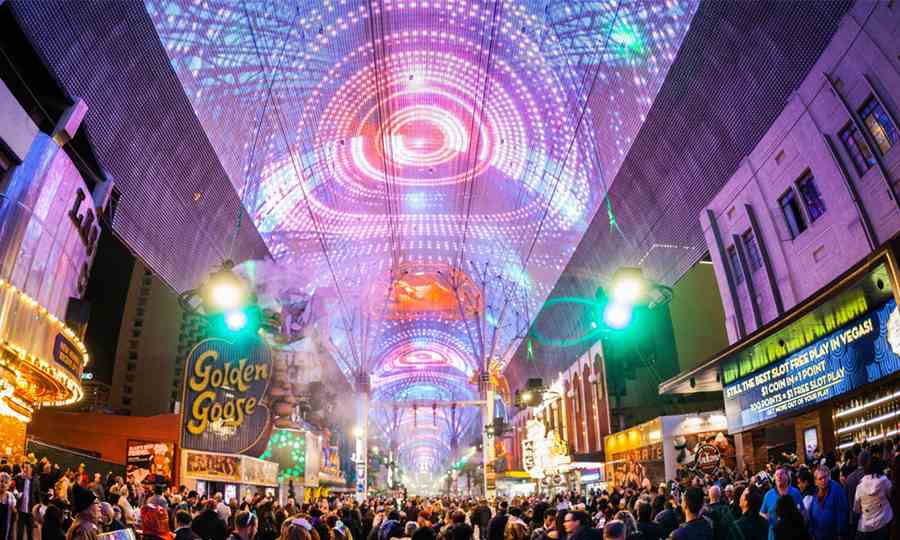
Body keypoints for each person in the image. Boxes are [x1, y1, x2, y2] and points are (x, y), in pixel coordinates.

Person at [853, 455, 893, 539]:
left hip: (866, 526)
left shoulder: (859, 487)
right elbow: (890, 494)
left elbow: (856, 509)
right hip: (884, 520)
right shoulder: (884, 480)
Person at [807, 466, 848, 540]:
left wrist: (840, 533)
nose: (823, 480)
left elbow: (842, 511)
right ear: (816, 482)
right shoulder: (816, 492)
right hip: (818, 534)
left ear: (829, 477)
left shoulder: (836, 489)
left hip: (832, 535)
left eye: (825, 477)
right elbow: (811, 511)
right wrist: (811, 530)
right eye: (820, 479)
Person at [761, 468, 803, 540]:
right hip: (774, 536)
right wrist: (768, 518)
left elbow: (802, 511)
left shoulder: (795, 493)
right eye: (777, 475)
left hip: (793, 535)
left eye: (781, 474)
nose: (779, 476)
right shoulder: (768, 495)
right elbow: (761, 512)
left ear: (787, 477)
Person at [16, 463, 40, 540]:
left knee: (30, 533)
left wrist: (37, 509)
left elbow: (37, 496)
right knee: (19, 533)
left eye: (27, 468)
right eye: (24, 468)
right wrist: (16, 493)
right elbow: (11, 485)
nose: (25, 469)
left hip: (30, 512)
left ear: (31, 470)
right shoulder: (19, 478)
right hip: (21, 510)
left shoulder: (35, 481)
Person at [0, 473, 16, 540]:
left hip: (6, 530)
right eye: (1, 481)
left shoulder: (11, 496)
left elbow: (14, 517)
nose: (3, 484)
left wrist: (14, 511)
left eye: (6, 482)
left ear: (9, 485)